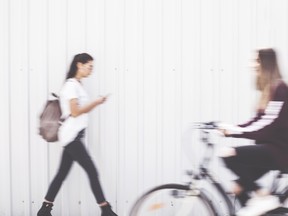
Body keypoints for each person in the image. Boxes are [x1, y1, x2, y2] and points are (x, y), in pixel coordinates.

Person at [37, 53, 118, 216]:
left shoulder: (77, 85)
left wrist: (95, 103)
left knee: (61, 174)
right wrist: (95, 102)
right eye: (89, 66)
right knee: (92, 171)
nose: (91, 70)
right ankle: (105, 209)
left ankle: (45, 209)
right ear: (79, 65)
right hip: (72, 137)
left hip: (74, 136)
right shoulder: (71, 85)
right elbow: (74, 112)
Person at [218, 48, 288, 216]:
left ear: (266, 63)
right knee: (238, 189)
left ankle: (262, 196)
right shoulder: (268, 91)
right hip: (269, 149)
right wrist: (231, 127)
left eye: (255, 61)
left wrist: (233, 131)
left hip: (280, 151)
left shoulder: (280, 89)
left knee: (227, 154)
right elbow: (256, 121)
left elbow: (268, 126)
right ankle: (262, 205)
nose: (251, 65)